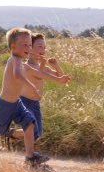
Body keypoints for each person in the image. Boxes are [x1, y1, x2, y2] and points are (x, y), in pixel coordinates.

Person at [0, 27, 69, 167]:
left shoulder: (23, 64)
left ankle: (30, 157)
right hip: (5, 104)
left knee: (30, 123)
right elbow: (18, 75)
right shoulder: (14, 60)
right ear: (13, 46)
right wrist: (32, 86)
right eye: (25, 45)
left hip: (16, 103)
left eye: (29, 45)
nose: (28, 47)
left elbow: (41, 74)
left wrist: (57, 77)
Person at [6, 33, 70, 163]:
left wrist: (56, 65)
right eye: (39, 46)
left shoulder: (42, 66)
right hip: (24, 102)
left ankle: (11, 133)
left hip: (35, 103)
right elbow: (38, 76)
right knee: (31, 129)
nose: (43, 50)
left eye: (44, 47)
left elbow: (59, 77)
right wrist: (42, 65)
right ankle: (30, 157)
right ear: (29, 48)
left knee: (37, 133)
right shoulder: (26, 66)